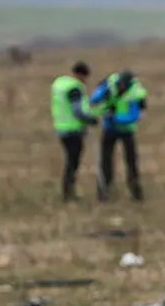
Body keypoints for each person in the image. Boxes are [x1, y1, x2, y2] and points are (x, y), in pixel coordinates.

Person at [90, 69, 148, 202]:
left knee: (131, 162)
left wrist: (114, 118)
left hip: (126, 130)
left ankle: (136, 192)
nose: (120, 87)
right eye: (119, 84)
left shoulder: (136, 93)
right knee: (105, 161)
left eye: (123, 85)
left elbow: (135, 116)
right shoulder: (109, 83)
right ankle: (103, 192)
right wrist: (101, 98)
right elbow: (94, 99)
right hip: (109, 129)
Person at [50, 61, 99, 201]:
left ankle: (68, 191)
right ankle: (68, 193)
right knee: (72, 163)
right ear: (81, 75)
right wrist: (90, 119)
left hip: (61, 128)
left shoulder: (61, 85)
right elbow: (77, 111)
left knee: (70, 161)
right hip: (73, 130)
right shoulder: (74, 89)